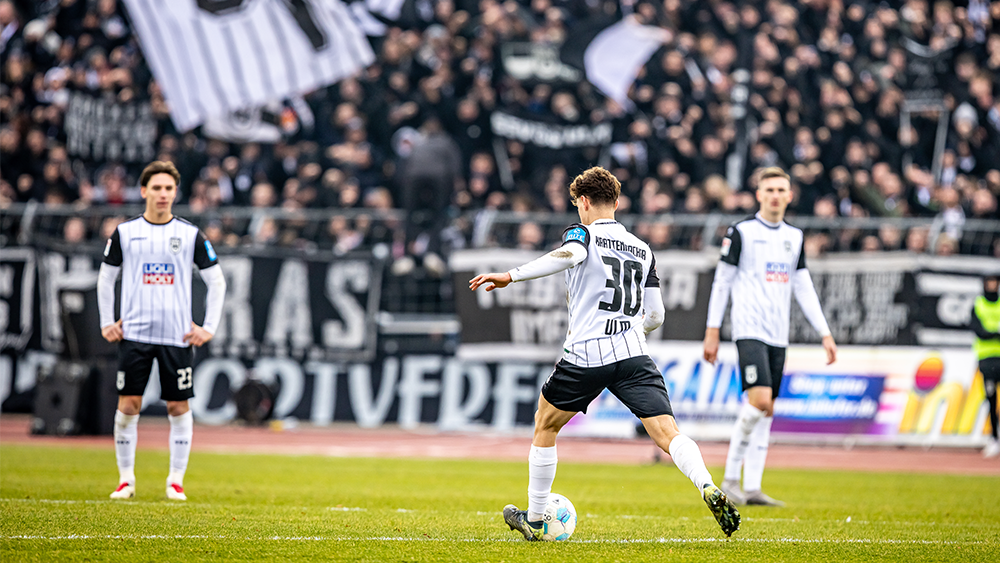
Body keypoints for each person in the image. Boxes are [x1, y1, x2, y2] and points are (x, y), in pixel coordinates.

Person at [470, 166, 740, 540]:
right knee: (667, 432)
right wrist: (629, 330)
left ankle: (535, 517)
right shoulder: (643, 249)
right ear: (616, 201)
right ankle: (706, 484)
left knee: (546, 423)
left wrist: (510, 275)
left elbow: (569, 255)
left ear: (583, 202)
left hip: (586, 353)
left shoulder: (582, 234)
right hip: (633, 354)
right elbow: (656, 315)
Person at [703, 166, 837, 507]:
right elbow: (722, 281)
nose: (775, 195)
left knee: (767, 410)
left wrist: (825, 332)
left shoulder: (795, 236)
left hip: (779, 334)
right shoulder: (741, 232)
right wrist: (712, 330)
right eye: (770, 190)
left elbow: (803, 286)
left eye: (781, 190)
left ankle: (752, 487)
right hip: (749, 329)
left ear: (790, 196)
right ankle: (730, 480)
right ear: (759, 195)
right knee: (760, 401)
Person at [97, 161, 227, 501]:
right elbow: (106, 278)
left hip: (176, 336)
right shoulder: (126, 233)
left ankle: (176, 481)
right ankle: (126, 480)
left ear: (175, 193)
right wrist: (106, 322)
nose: (163, 194)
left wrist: (208, 327)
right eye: (157, 187)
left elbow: (217, 281)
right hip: (135, 335)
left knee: (178, 407)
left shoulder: (190, 234)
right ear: (144, 191)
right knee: (129, 405)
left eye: (169, 188)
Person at [971, 274, 1000, 459]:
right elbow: (978, 331)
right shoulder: (978, 304)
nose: (992, 285)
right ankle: (994, 438)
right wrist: (996, 333)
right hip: (987, 359)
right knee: (991, 399)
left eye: (995, 282)